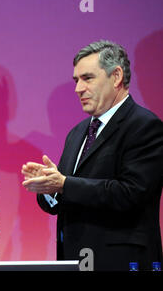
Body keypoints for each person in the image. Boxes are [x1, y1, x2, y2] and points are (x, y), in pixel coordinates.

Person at [21, 40, 163, 271]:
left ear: (116, 76)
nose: (78, 89)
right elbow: (66, 198)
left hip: (122, 262)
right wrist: (50, 188)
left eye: (87, 78)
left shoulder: (145, 126)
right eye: (76, 80)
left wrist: (64, 184)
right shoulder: (77, 133)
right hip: (75, 261)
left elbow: (131, 193)